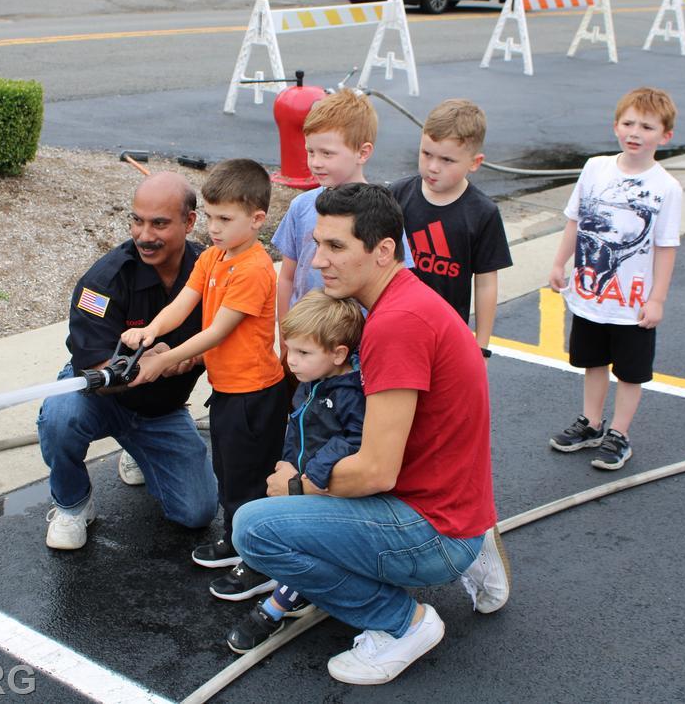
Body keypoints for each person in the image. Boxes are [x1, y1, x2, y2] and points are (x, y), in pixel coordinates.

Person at [232, 183, 510, 686]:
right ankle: (476, 538)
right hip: (456, 501)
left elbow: (377, 471)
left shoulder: (395, 324)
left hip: (433, 526)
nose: (318, 261)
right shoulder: (406, 299)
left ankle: (403, 624)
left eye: (336, 246)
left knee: (255, 527)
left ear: (383, 251)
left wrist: (296, 488)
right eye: (317, 244)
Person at [122, 159, 289, 602]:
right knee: (228, 472)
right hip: (228, 390)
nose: (212, 228)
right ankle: (238, 539)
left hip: (255, 393)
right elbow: (183, 304)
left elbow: (216, 332)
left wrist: (164, 360)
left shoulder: (254, 268)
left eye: (224, 219)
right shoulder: (214, 256)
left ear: (257, 220)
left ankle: (261, 562)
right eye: (210, 217)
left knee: (249, 478)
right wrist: (150, 331)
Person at [37, 171, 218, 550]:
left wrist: (189, 354)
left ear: (190, 222)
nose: (144, 235)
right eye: (137, 220)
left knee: (198, 513)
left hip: (162, 413)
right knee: (59, 414)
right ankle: (72, 504)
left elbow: (237, 336)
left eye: (159, 223)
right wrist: (142, 363)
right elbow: (93, 363)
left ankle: (139, 449)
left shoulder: (213, 271)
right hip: (102, 400)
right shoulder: (104, 281)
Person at [548, 87, 682, 471]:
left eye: (647, 126)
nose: (635, 132)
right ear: (615, 126)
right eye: (628, 123)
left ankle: (619, 433)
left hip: (632, 303)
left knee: (629, 371)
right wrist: (560, 263)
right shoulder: (595, 168)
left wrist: (657, 298)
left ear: (665, 136)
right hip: (590, 296)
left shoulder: (666, 188)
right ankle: (591, 422)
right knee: (592, 361)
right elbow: (576, 220)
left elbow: (667, 246)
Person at [225, 289, 365, 653]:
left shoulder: (351, 394)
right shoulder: (309, 384)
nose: (292, 361)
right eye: (289, 349)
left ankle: (274, 609)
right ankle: (286, 581)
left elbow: (357, 438)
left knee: (307, 545)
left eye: (304, 353)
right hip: (302, 479)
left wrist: (312, 474)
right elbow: (296, 426)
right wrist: (287, 464)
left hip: (328, 490)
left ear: (338, 354)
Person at [272, 88, 413, 325]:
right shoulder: (301, 206)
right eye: (310, 151)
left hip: (358, 338)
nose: (315, 163)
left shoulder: (381, 212)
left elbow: (398, 283)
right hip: (306, 339)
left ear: (363, 152)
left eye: (327, 153)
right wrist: (286, 336)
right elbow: (287, 277)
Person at [391, 99, 512, 356]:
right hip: (394, 325)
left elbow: (486, 283)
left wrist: (481, 347)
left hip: (446, 335)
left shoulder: (483, 213)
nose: (433, 167)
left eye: (447, 160)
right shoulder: (398, 195)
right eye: (426, 154)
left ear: (475, 162)